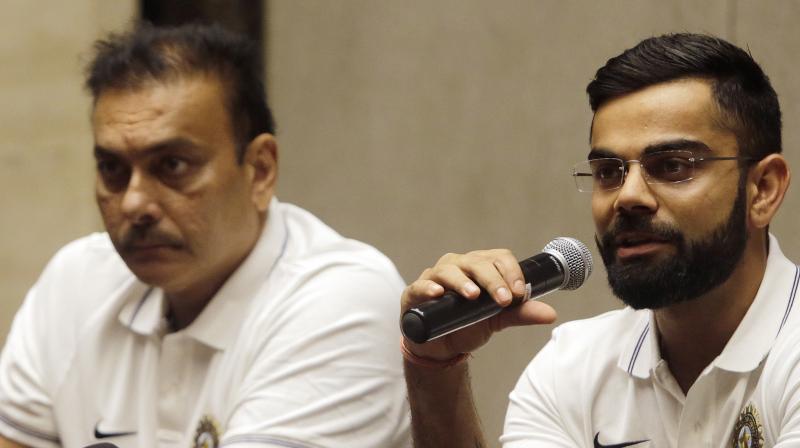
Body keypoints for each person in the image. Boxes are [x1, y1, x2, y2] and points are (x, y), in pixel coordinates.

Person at [0, 23, 409, 448]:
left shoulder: (341, 301)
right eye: (112, 169)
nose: (133, 203)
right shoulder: (76, 280)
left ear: (260, 170)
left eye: (173, 165)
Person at [402, 33, 795, 447]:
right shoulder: (573, 366)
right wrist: (434, 369)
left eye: (673, 166)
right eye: (609, 171)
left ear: (763, 189)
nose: (628, 197)